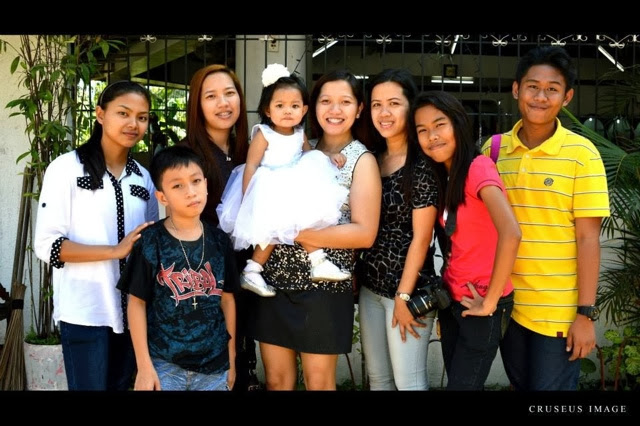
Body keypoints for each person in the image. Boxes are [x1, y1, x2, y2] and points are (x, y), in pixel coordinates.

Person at [481, 46, 610, 390]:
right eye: (532, 86)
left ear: (566, 97)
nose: (541, 97)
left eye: (552, 89)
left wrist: (585, 314)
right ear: (516, 89)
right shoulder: (493, 151)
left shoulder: (582, 155)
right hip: (507, 305)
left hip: (557, 313)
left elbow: (588, 238)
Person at [251, 69, 381, 390]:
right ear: (313, 106)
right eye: (326, 101)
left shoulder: (361, 159)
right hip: (274, 281)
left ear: (359, 109)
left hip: (325, 285)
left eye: (345, 102)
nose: (335, 110)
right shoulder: (294, 146)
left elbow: (363, 234)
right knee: (276, 381)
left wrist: (291, 231)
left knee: (319, 382)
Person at [34, 80, 159, 390]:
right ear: (101, 114)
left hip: (133, 314)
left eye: (142, 117)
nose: (133, 124)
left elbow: (150, 244)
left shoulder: (143, 177)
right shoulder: (66, 169)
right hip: (85, 311)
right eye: (123, 113)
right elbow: (47, 245)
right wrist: (114, 251)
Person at [413, 90, 521, 390]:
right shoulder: (445, 175)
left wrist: (491, 301)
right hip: (454, 300)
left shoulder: (478, 167)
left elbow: (511, 232)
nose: (432, 136)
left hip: (481, 303)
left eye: (440, 125)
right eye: (422, 130)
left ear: (458, 124)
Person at [217, 63, 351, 297]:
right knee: (271, 231)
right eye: (280, 105)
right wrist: (248, 196)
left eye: (294, 106)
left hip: (293, 188)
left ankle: (316, 261)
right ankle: (253, 270)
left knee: (302, 224)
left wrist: (329, 157)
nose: (287, 111)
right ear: (268, 110)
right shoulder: (263, 133)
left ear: (304, 110)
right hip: (268, 188)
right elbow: (252, 164)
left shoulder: (300, 134)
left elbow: (310, 155)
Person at [116, 146, 237, 391]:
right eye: (178, 186)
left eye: (196, 181)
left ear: (206, 184)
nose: (190, 192)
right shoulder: (151, 241)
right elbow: (136, 304)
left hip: (215, 366)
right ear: (162, 197)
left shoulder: (220, 241)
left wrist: (231, 359)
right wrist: (144, 366)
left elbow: (227, 301)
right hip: (164, 364)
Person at [177, 64, 257, 391]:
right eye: (211, 96)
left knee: (240, 368)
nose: (223, 103)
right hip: (203, 282)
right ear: (197, 105)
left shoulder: (248, 151)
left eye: (229, 93)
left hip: (246, 276)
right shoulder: (185, 155)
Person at [357, 69, 438, 390]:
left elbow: (422, 237)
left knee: (409, 383)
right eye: (377, 105)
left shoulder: (422, 164)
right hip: (370, 288)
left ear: (410, 106)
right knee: (379, 380)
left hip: (407, 291)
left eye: (394, 103)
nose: (384, 113)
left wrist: (403, 296)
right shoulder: (370, 159)